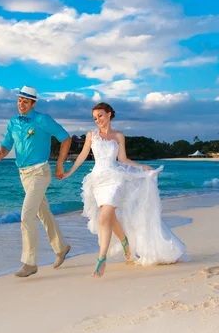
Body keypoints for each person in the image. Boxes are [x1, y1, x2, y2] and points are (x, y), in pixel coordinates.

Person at [61, 102, 187, 277]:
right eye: (95, 118)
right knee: (110, 217)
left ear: (109, 114)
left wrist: (142, 167)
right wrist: (68, 172)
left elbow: (123, 159)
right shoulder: (92, 135)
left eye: (101, 116)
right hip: (97, 180)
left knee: (105, 218)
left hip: (114, 179)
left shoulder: (119, 136)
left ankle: (101, 259)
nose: (98, 120)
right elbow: (83, 156)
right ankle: (125, 241)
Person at [0, 86, 72, 277]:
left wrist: (60, 165)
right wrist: (1, 153)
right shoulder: (13, 122)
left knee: (26, 216)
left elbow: (65, 138)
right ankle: (61, 248)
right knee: (43, 213)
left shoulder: (42, 120)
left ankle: (30, 263)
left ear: (33, 103)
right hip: (23, 175)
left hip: (40, 172)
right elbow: (7, 144)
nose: (21, 104)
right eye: (19, 100)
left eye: (25, 101)